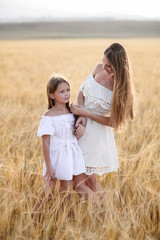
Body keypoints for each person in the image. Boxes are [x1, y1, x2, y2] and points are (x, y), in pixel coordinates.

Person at [70, 42, 135, 194]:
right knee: (90, 181)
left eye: (109, 66)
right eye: (103, 62)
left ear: (118, 67)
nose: (104, 68)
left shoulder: (120, 88)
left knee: (79, 184)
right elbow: (81, 92)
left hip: (95, 135)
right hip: (80, 125)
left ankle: (100, 215)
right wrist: (81, 116)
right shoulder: (98, 68)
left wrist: (88, 114)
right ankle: (103, 216)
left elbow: (114, 122)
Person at [37, 73, 96, 201]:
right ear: (52, 95)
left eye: (68, 90)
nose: (67, 94)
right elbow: (45, 141)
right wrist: (49, 167)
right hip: (55, 155)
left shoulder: (73, 111)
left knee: (66, 192)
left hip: (71, 154)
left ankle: (64, 219)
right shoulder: (49, 115)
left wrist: (81, 128)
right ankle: (35, 220)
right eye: (62, 91)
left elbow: (77, 132)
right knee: (47, 192)